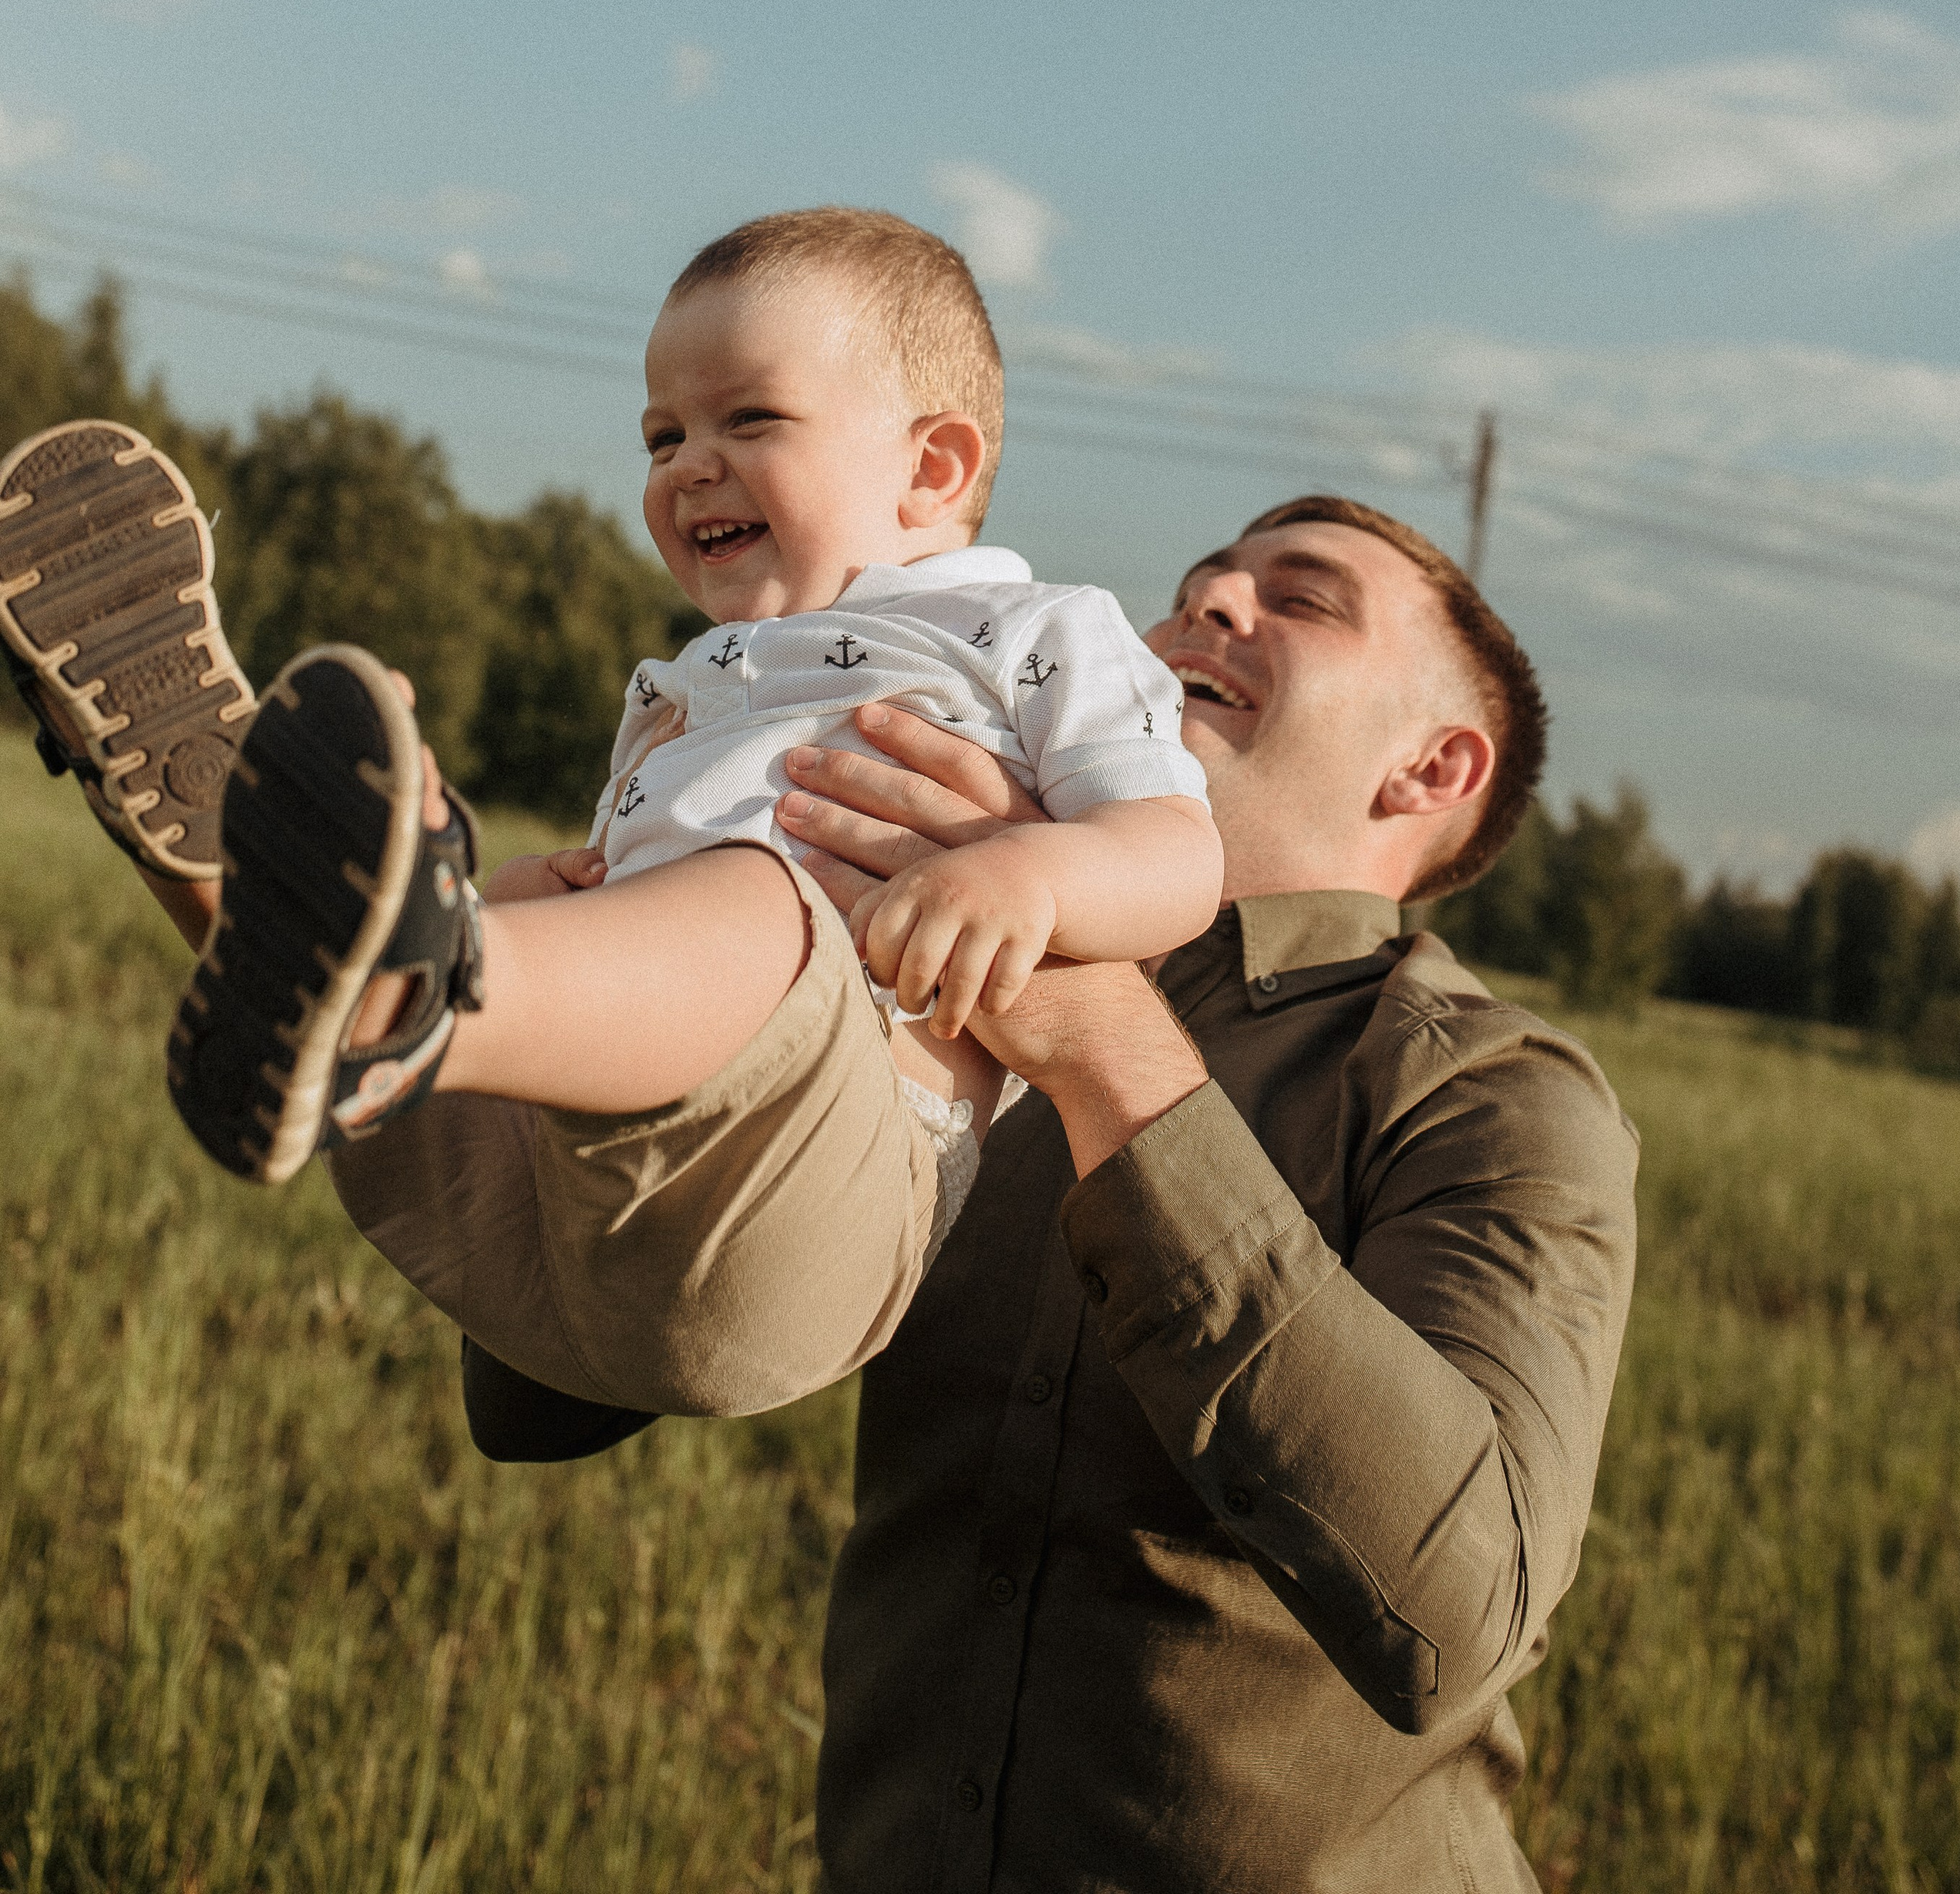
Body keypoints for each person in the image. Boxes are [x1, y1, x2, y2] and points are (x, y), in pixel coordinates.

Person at [469, 494, 1639, 1892]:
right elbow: (541, 1394)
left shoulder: (1500, 1094)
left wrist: (1106, 1045)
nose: (1211, 601)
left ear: (1434, 767)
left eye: (1303, 598)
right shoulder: (911, 977)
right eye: (1200, 580)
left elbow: (1456, 1615)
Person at [4, 207, 1221, 1418]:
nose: (688, 462)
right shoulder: (695, 684)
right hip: (555, 1239)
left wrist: (1035, 882)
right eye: (661, 435)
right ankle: (270, 893)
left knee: (754, 904)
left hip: (813, 1201)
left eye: (749, 417)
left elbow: (1178, 853)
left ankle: (403, 971)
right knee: (518, 926)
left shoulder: (1031, 630)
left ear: (933, 466)